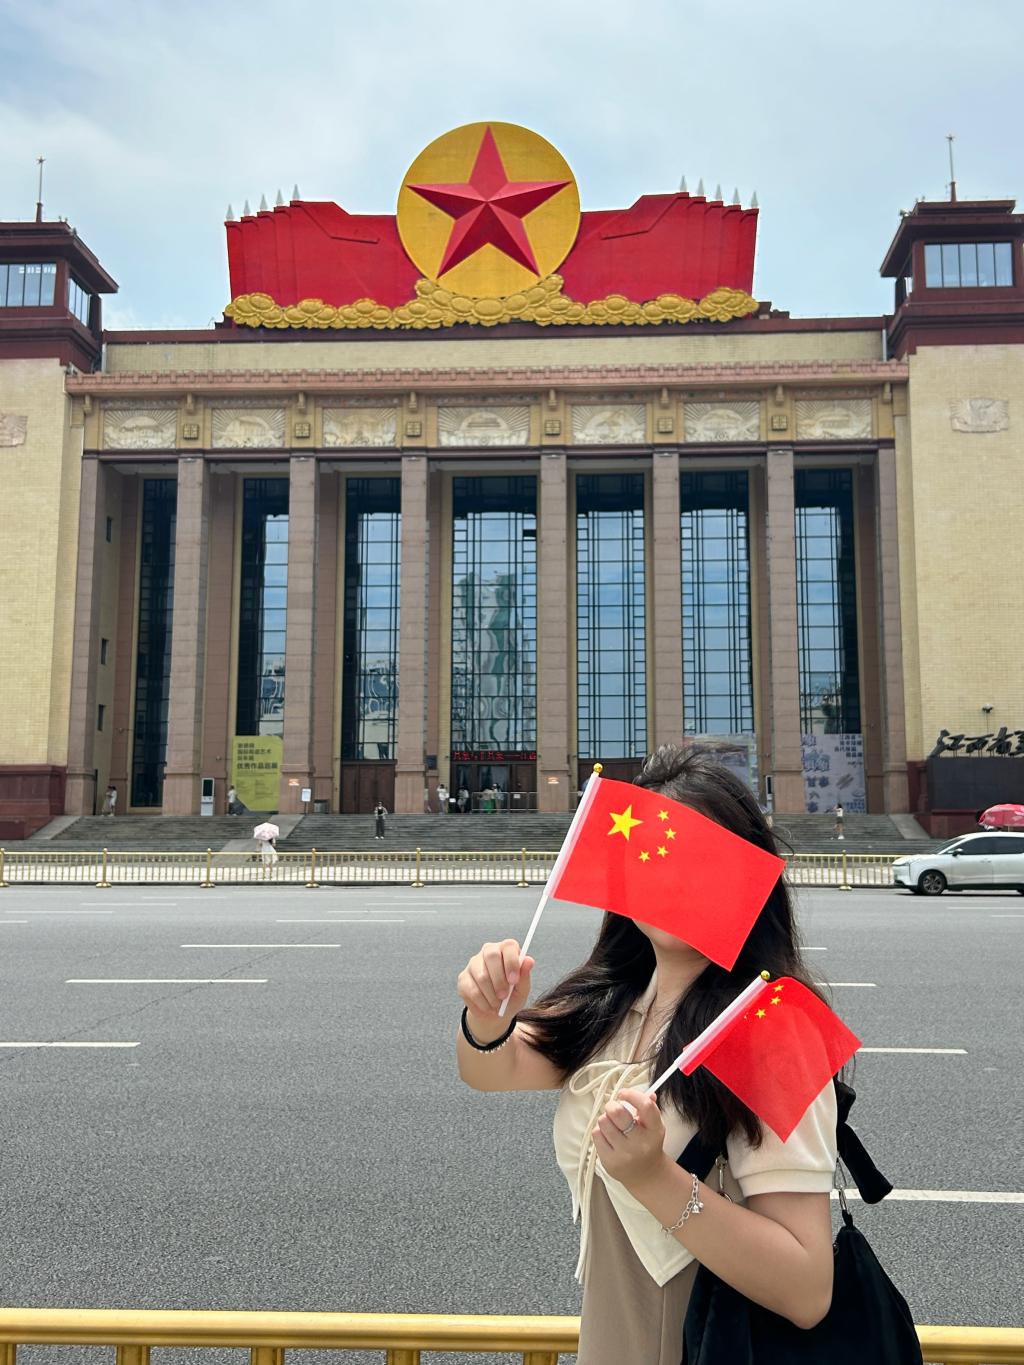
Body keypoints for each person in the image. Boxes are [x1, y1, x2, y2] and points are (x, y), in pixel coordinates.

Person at [456, 746, 838, 1365]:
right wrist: (485, 1016)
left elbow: (807, 1289)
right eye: (652, 852)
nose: (672, 874)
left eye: (701, 857)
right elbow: (490, 1068)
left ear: (745, 878)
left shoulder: (770, 1027)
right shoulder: (617, 1002)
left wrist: (653, 1177)